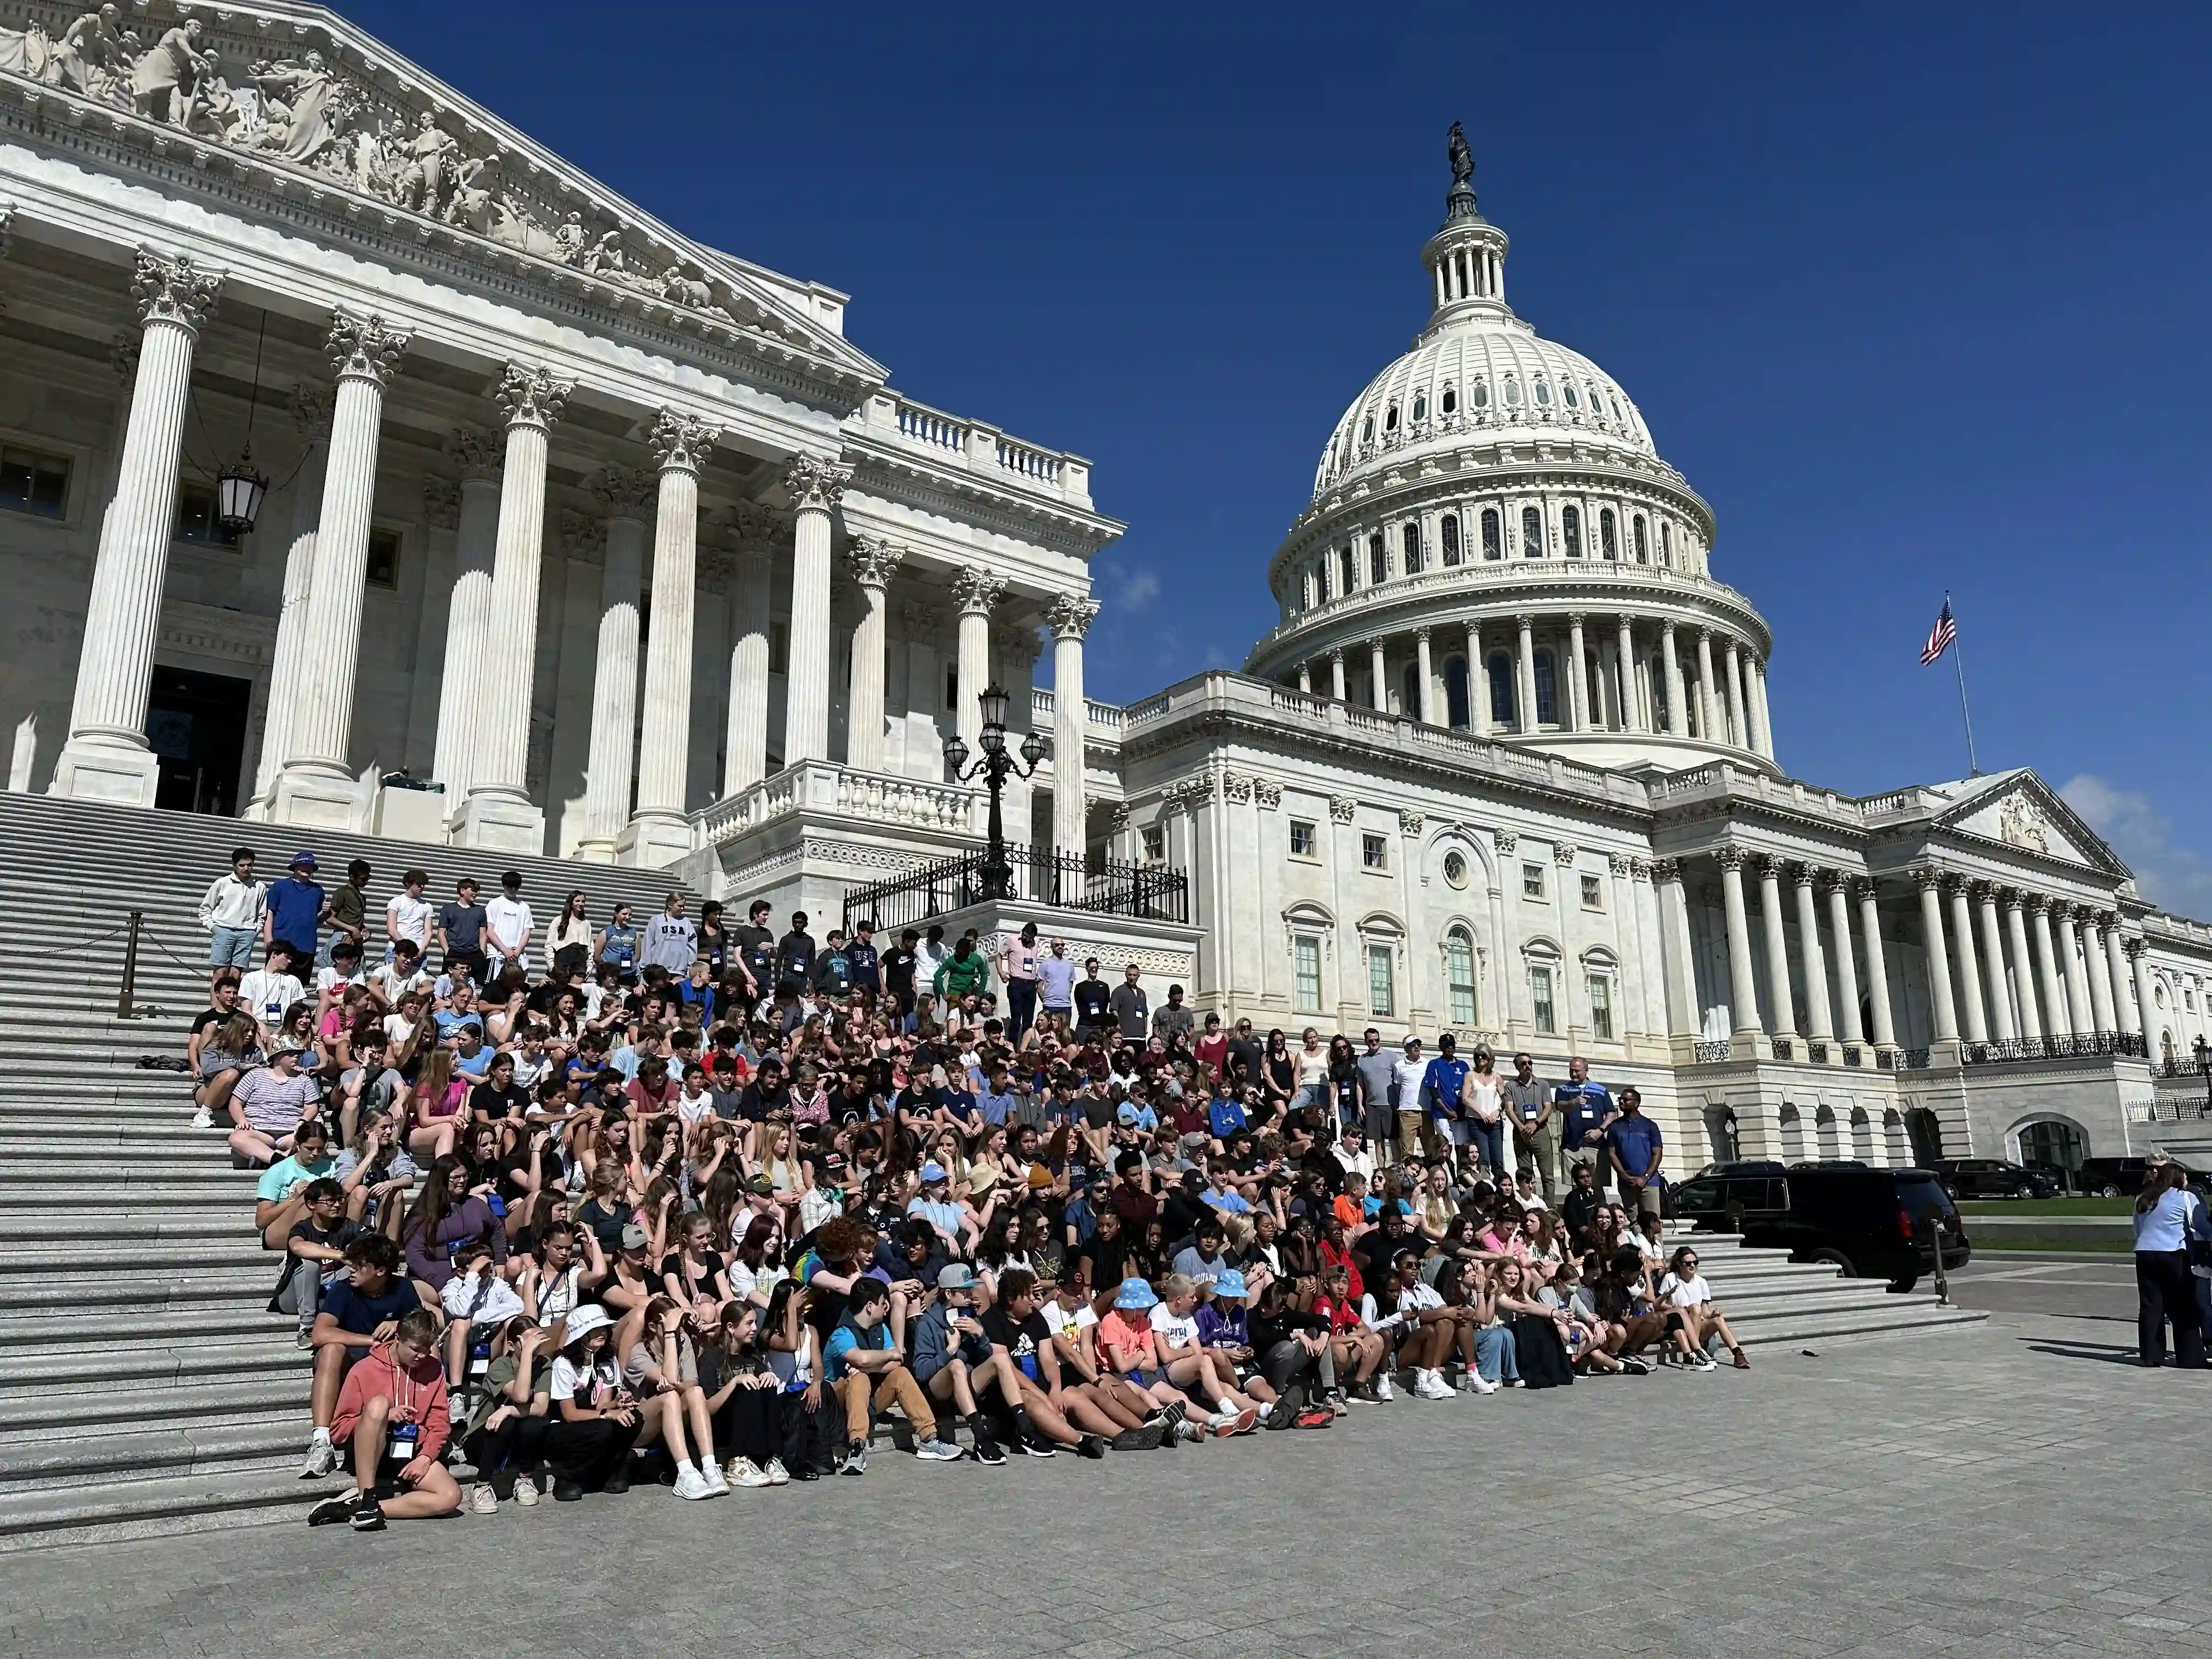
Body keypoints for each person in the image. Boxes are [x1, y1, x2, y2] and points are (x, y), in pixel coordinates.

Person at [306, 1306, 461, 1531]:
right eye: (416, 1349)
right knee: (379, 1404)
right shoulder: (364, 1369)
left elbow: (439, 1423)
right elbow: (339, 1429)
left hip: (410, 1450)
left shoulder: (433, 1369)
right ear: (398, 1339)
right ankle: (366, 1494)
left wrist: (426, 1457)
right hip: (371, 1452)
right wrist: (384, 1418)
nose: (422, 1356)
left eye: (427, 1349)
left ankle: (362, 1506)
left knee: (450, 1497)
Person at [822, 1278, 966, 1472]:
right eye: (884, 1303)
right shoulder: (842, 1334)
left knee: (900, 1373)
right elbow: (863, 1358)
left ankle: (929, 1439)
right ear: (870, 1307)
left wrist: (871, 1368)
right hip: (837, 1407)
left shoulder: (880, 1328)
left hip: (869, 1401)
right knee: (858, 1377)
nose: (887, 1307)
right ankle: (856, 1448)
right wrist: (885, 1356)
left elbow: (896, 1361)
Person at [2132, 1163, 2207, 1369]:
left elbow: (2137, 1229)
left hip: (2145, 1253)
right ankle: (2190, 1358)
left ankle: (2151, 1356)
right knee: (2183, 1306)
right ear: (2178, 1177)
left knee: (2150, 1305)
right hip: (2173, 1253)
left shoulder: (2144, 1199)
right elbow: (2201, 1225)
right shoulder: (2185, 1197)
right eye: (2184, 1176)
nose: (2187, 1180)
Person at [197, 845, 266, 993]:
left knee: (236, 975)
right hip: (223, 930)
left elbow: (262, 913)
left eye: (249, 865)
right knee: (220, 974)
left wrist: (255, 930)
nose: (246, 868)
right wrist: (213, 927)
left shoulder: (260, 887)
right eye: (242, 865)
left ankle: (230, 1013)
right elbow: (205, 908)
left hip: (246, 933)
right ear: (234, 866)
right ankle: (216, 1011)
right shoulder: (222, 883)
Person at [1554, 1056, 1614, 1193]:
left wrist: (1600, 1131)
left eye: (1577, 1071)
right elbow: (1560, 1106)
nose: (1574, 1074)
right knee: (1576, 1186)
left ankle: (1599, 1210)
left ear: (1586, 1070)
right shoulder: (1563, 1089)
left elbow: (1611, 1114)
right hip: (1572, 1145)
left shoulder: (1600, 1090)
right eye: (1571, 1070)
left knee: (1597, 1184)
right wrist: (1573, 1103)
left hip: (1595, 1145)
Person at [1604, 1087, 1664, 1217]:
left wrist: (1645, 1178)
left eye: (1626, 1100)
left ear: (1637, 1103)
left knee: (1653, 1221)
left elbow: (1657, 1154)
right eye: (1620, 1100)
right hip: (1627, 1184)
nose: (1621, 1102)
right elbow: (1612, 1154)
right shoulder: (1615, 1127)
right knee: (1634, 1222)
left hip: (1649, 1183)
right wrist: (1625, 1177)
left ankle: (1654, 1240)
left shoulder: (1650, 1126)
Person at [264, 850, 327, 968]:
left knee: (299, 984)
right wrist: (268, 941)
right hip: (282, 944)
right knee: (277, 980)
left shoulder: (318, 890)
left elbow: (317, 921)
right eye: (303, 865)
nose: (306, 868)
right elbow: (269, 914)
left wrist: (324, 913)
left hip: (306, 946)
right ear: (295, 867)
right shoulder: (280, 886)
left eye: (310, 866)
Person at [438, 877, 489, 985]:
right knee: (449, 985)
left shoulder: (480, 910)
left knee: (476, 985)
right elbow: (441, 933)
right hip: (454, 952)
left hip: (474, 954)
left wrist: (482, 954)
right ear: (462, 891)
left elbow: (483, 935)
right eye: (473, 890)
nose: (475, 894)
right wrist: (448, 952)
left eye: (477, 891)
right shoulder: (448, 909)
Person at [486, 871, 534, 978]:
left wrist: (516, 952)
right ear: (503, 885)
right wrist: (504, 950)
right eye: (510, 887)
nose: (513, 890)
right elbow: (489, 930)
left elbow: (527, 933)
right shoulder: (494, 904)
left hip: (517, 957)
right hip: (497, 955)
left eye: (516, 887)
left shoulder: (525, 907)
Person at [640, 893, 697, 978]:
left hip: (679, 972)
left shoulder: (686, 922)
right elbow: (648, 945)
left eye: (684, 906)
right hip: (658, 971)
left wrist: (691, 969)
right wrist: (646, 968)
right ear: (670, 905)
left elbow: (692, 947)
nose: (683, 909)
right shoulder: (656, 920)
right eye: (680, 906)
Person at [1109, 963, 1149, 1043]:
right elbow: (1114, 1011)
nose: (1132, 978)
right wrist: (1118, 1030)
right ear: (1126, 975)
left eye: (1134, 975)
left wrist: (1145, 1031)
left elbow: (1145, 1015)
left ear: (1138, 976)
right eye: (1130, 975)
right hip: (1126, 1037)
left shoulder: (1142, 993)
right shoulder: (1119, 991)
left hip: (1141, 1038)